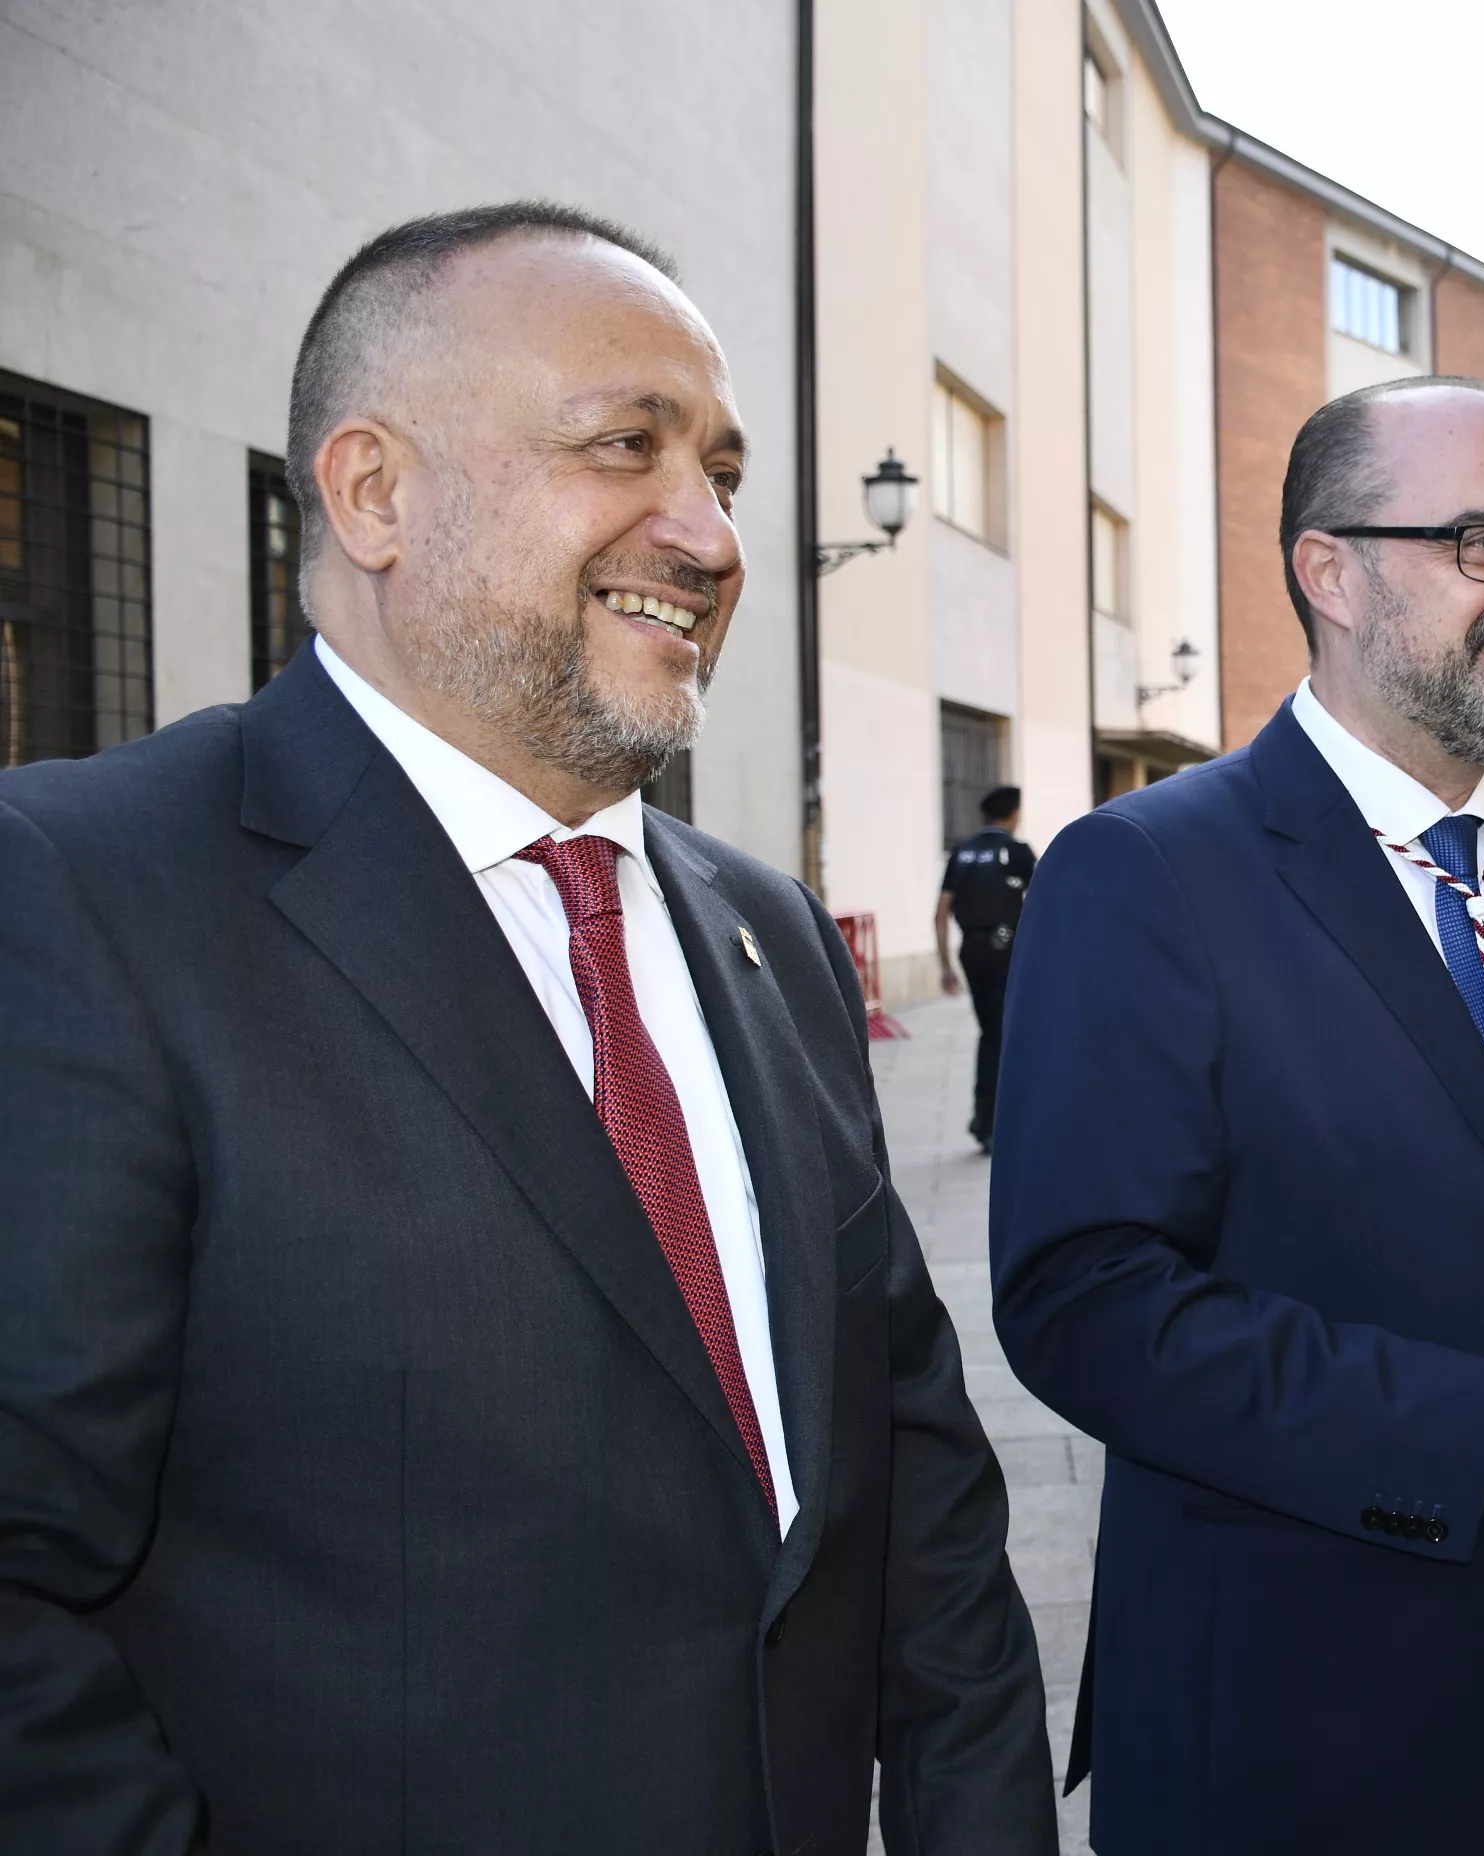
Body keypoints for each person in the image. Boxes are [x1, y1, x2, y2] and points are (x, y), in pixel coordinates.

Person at [0, 205, 1055, 1854]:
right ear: (374, 495)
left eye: (720, 468)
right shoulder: (81, 894)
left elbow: (915, 1508)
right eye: (622, 446)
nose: (705, 536)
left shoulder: (761, 929)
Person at [990, 376, 1484, 1854]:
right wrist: (1476, 1422)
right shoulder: (1145, 873)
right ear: (1330, 571)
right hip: (1301, 1727)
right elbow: (1084, 1303)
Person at [936, 784, 1035, 1152]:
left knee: (990, 1032)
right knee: (1006, 1035)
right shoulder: (1018, 851)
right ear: (1013, 814)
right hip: (1007, 952)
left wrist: (946, 964)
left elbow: (941, 912)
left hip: (972, 952)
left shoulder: (961, 853)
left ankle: (986, 1117)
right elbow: (1042, 900)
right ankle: (994, 1120)